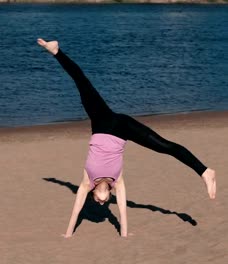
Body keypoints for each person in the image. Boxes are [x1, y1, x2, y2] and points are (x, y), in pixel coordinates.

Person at [37, 38, 217, 238]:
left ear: (93, 193)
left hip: (101, 121)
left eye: (97, 201)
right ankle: (206, 171)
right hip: (123, 128)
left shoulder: (86, 182)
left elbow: (76, 207)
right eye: (103, 203)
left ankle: (56, 51)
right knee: (164, 146)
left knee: (82, 82)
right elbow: (122, 208)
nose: (101, 203)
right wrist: (124, 234)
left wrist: (68, 233)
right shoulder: (117, 181)